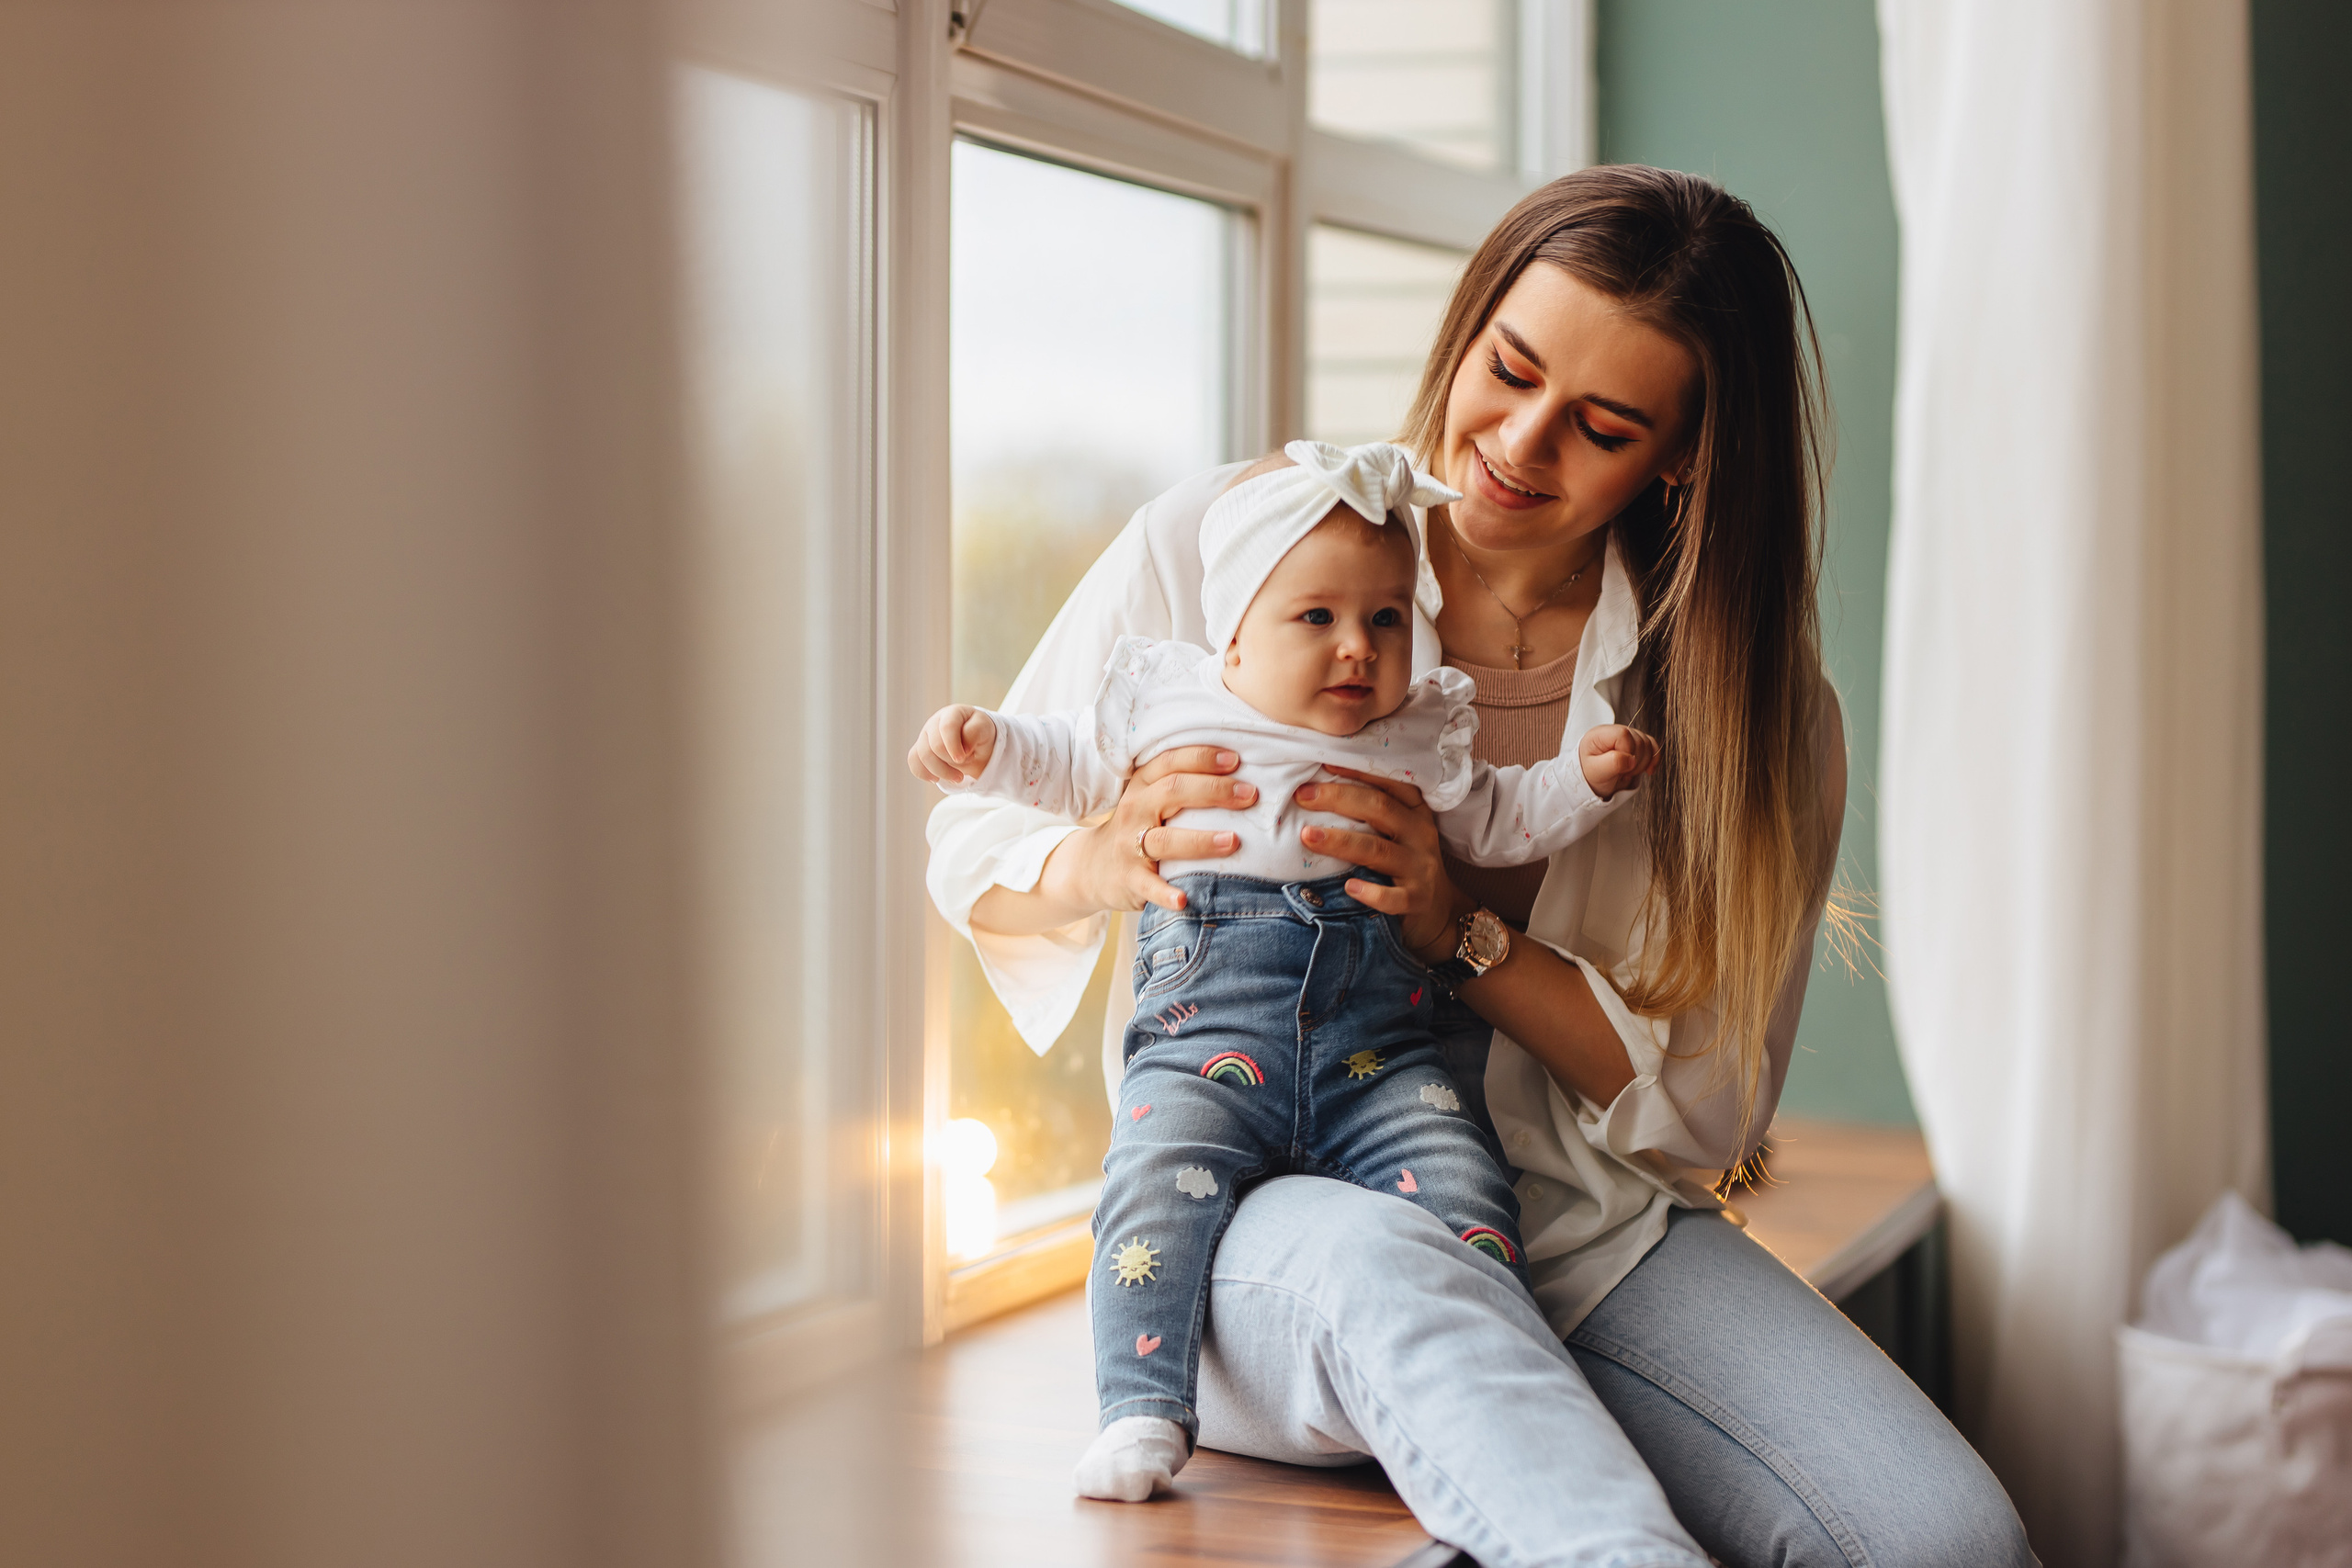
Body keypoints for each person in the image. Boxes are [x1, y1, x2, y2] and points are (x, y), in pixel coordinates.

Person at [927, 165, 2036, 1567]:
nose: (1517, 441)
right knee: (1408, 1278)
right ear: (1466, 328)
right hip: (1251, 1207)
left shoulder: (1749, 713)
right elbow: (972, 834)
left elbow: (1704, 1110)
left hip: (1568, 1229)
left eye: (1603, 425)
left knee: (1949, 1541)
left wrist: (1464, 931)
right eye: (1506, 370)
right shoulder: (1238, 545)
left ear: (1681, 457)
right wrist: (1096, 858)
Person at [910, 439, 1661, 1504]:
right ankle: (1139, 1408)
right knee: (1151, 1193)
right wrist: (984, 745)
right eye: (1317, 619)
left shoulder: (1416, 732)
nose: (1357, 649)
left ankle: (1501, 1395)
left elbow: (1499, 818)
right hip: (1205, 1050)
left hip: (1381, 1062)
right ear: (1233, 630)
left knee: (1468, 1191)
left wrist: (1582, 781)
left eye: (1386, 619)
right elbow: (1061, 759)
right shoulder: (1168, 702)